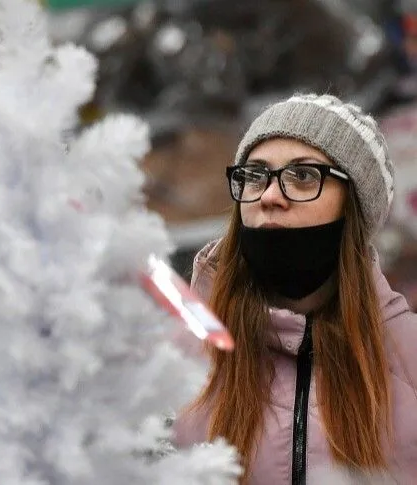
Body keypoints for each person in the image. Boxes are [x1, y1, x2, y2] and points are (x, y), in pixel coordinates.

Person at [172, 93, 417, 484]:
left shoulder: (408, 357)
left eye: (303, 176)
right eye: (254, 175)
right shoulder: (177, 353)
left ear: (352, 208)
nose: (269, 195)